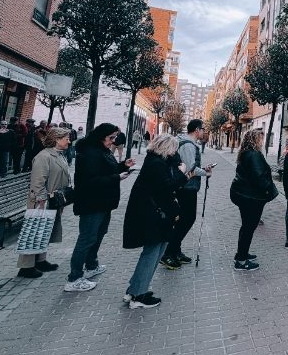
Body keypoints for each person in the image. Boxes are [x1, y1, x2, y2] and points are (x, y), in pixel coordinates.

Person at [64, 123, 134, 292]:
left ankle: (91, 265)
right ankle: (74, 277)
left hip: (104, 202)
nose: (113, 141)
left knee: (99, 234)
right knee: (87, 237)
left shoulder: (102, 150)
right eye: (111, 138)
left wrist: (123, 165)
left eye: (114, 138)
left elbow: (107, 169)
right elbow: (89, 181)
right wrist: (116, 177)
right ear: (102, 136)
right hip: (91, 202)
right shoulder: (90, 152)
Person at [122, 135, 186, 309]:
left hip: (152, 213)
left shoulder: (156, 161)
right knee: (152, 252)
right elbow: (168, 187)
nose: (175, 152)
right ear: (167, 148)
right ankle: (138, 295)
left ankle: (135, 288)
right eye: (174, 149)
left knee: (154, 251)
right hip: (153, 215)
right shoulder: (157, 164)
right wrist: (182, 173)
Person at [17, 127, 73, 278]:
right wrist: (40, 200)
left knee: (45, 230)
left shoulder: (60, 155)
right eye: (66, 138)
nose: (69, 141)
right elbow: (37, 182)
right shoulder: (44, 156)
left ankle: (41, 260)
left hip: (54, 200)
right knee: (34, 232)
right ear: (56, 139)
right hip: (42, 201)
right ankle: (26, 266)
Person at [161, 119, 213, 269]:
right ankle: (168, 253)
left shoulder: (182, 142)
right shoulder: (189, 144)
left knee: (183, 219)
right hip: (186, 187)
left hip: (184, 185)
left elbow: (188, 165)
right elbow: (190, 167)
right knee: (187, 219)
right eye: (202, 129)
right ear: (197, 130)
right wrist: (206, 172)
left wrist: (202, 169)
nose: (203, 132)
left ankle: (176, 250)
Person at [230, 129, 278, 271]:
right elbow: (260, 178)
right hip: (250, 197)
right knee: (249, 227)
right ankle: (241, 261)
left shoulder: (245, 152)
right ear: (255, 140)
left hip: (242, 194)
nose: (262, 142)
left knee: (246, 226)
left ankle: (241, 253)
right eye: (261, 139)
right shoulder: (254, 154)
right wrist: (269, 189)